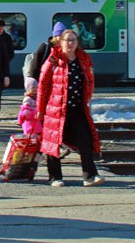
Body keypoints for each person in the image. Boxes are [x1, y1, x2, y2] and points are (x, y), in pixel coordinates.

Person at [36, 29, 103, 187]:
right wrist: (40, 109)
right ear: (61, 42)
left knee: (85, 139)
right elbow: (43, 85)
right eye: (67, 40)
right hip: (56, 108)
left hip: (78, 107)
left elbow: (89, 80)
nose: (71, 43)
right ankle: (55, 177)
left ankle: (90, 175)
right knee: (53, 142)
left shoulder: (83, 59)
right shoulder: (53, 60)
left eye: (73, 40)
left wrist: (87, 97)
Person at [23, 22, 67, 92]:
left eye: (64, 36)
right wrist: (32, 84)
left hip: (58, 84)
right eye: (60, 35)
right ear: (55, 36)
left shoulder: (66, 50)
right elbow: (35, 66)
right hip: (44, 84)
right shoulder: (45, 47)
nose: (62, 38)